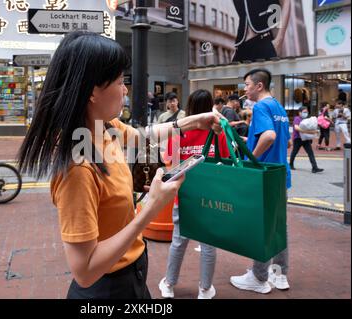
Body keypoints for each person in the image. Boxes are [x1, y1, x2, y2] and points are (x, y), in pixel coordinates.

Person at [17, 31, 221, 299]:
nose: (125, 90)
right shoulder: (77, 168)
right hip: (108, 289)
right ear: (92, 91)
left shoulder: (103, 126)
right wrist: (150, 209)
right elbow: (85, 271)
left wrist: (194, 121)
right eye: (120, 81)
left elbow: (141, 135)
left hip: (133, 274)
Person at [158, 89, 230, 300]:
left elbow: (169, 161)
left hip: (185, 195)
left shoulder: (181, 131)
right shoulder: (218, 132)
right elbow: (224, 159)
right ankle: (205, 289)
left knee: (179, 241)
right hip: (211, 195)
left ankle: (169, 284)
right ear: (211, 106)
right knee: (208, 244)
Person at [230, 68, 291, 294]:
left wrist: (253, 158)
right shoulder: (279, 108)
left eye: (247, 84)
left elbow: (269, 136)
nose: (244, 89)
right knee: (278, 226)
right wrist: (249, 139)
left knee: (261, 226)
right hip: (279, 174)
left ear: (258, 86)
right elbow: (284, 141)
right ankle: (280, 274)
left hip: (263, 175)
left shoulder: (261, 107)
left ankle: (258, 276)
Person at [289, 107, 324, 173]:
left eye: (306, 112)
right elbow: (296, 128)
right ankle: (290, 164)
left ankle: (315, 167)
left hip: (305, 139)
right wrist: (309, 132)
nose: (306, 113)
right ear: (299, 112)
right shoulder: (297, 118)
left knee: (310, 153)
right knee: (294, 152)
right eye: (304, 112)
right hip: (298, 139)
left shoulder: (307, 119)